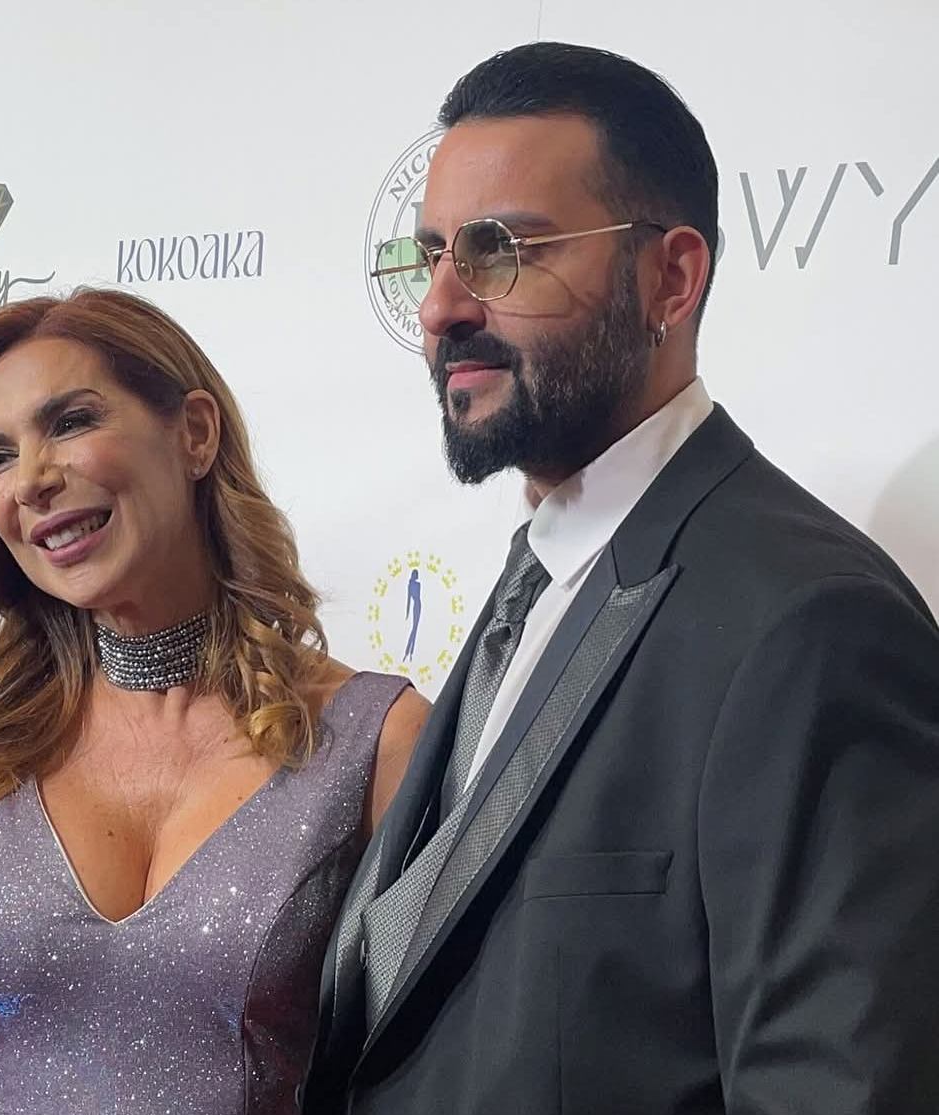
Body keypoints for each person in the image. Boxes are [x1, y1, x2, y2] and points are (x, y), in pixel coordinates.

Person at [305, 41, 939, 1114]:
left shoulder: (808, 622)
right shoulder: (538, 573)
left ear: (670, 278)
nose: (441, 306)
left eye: (501, 250)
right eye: (431, 255)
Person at [0, 287, 429, 1115]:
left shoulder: (375, 742)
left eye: (70, 422)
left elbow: (427, 1072)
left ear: (194, 432)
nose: (32, 480)